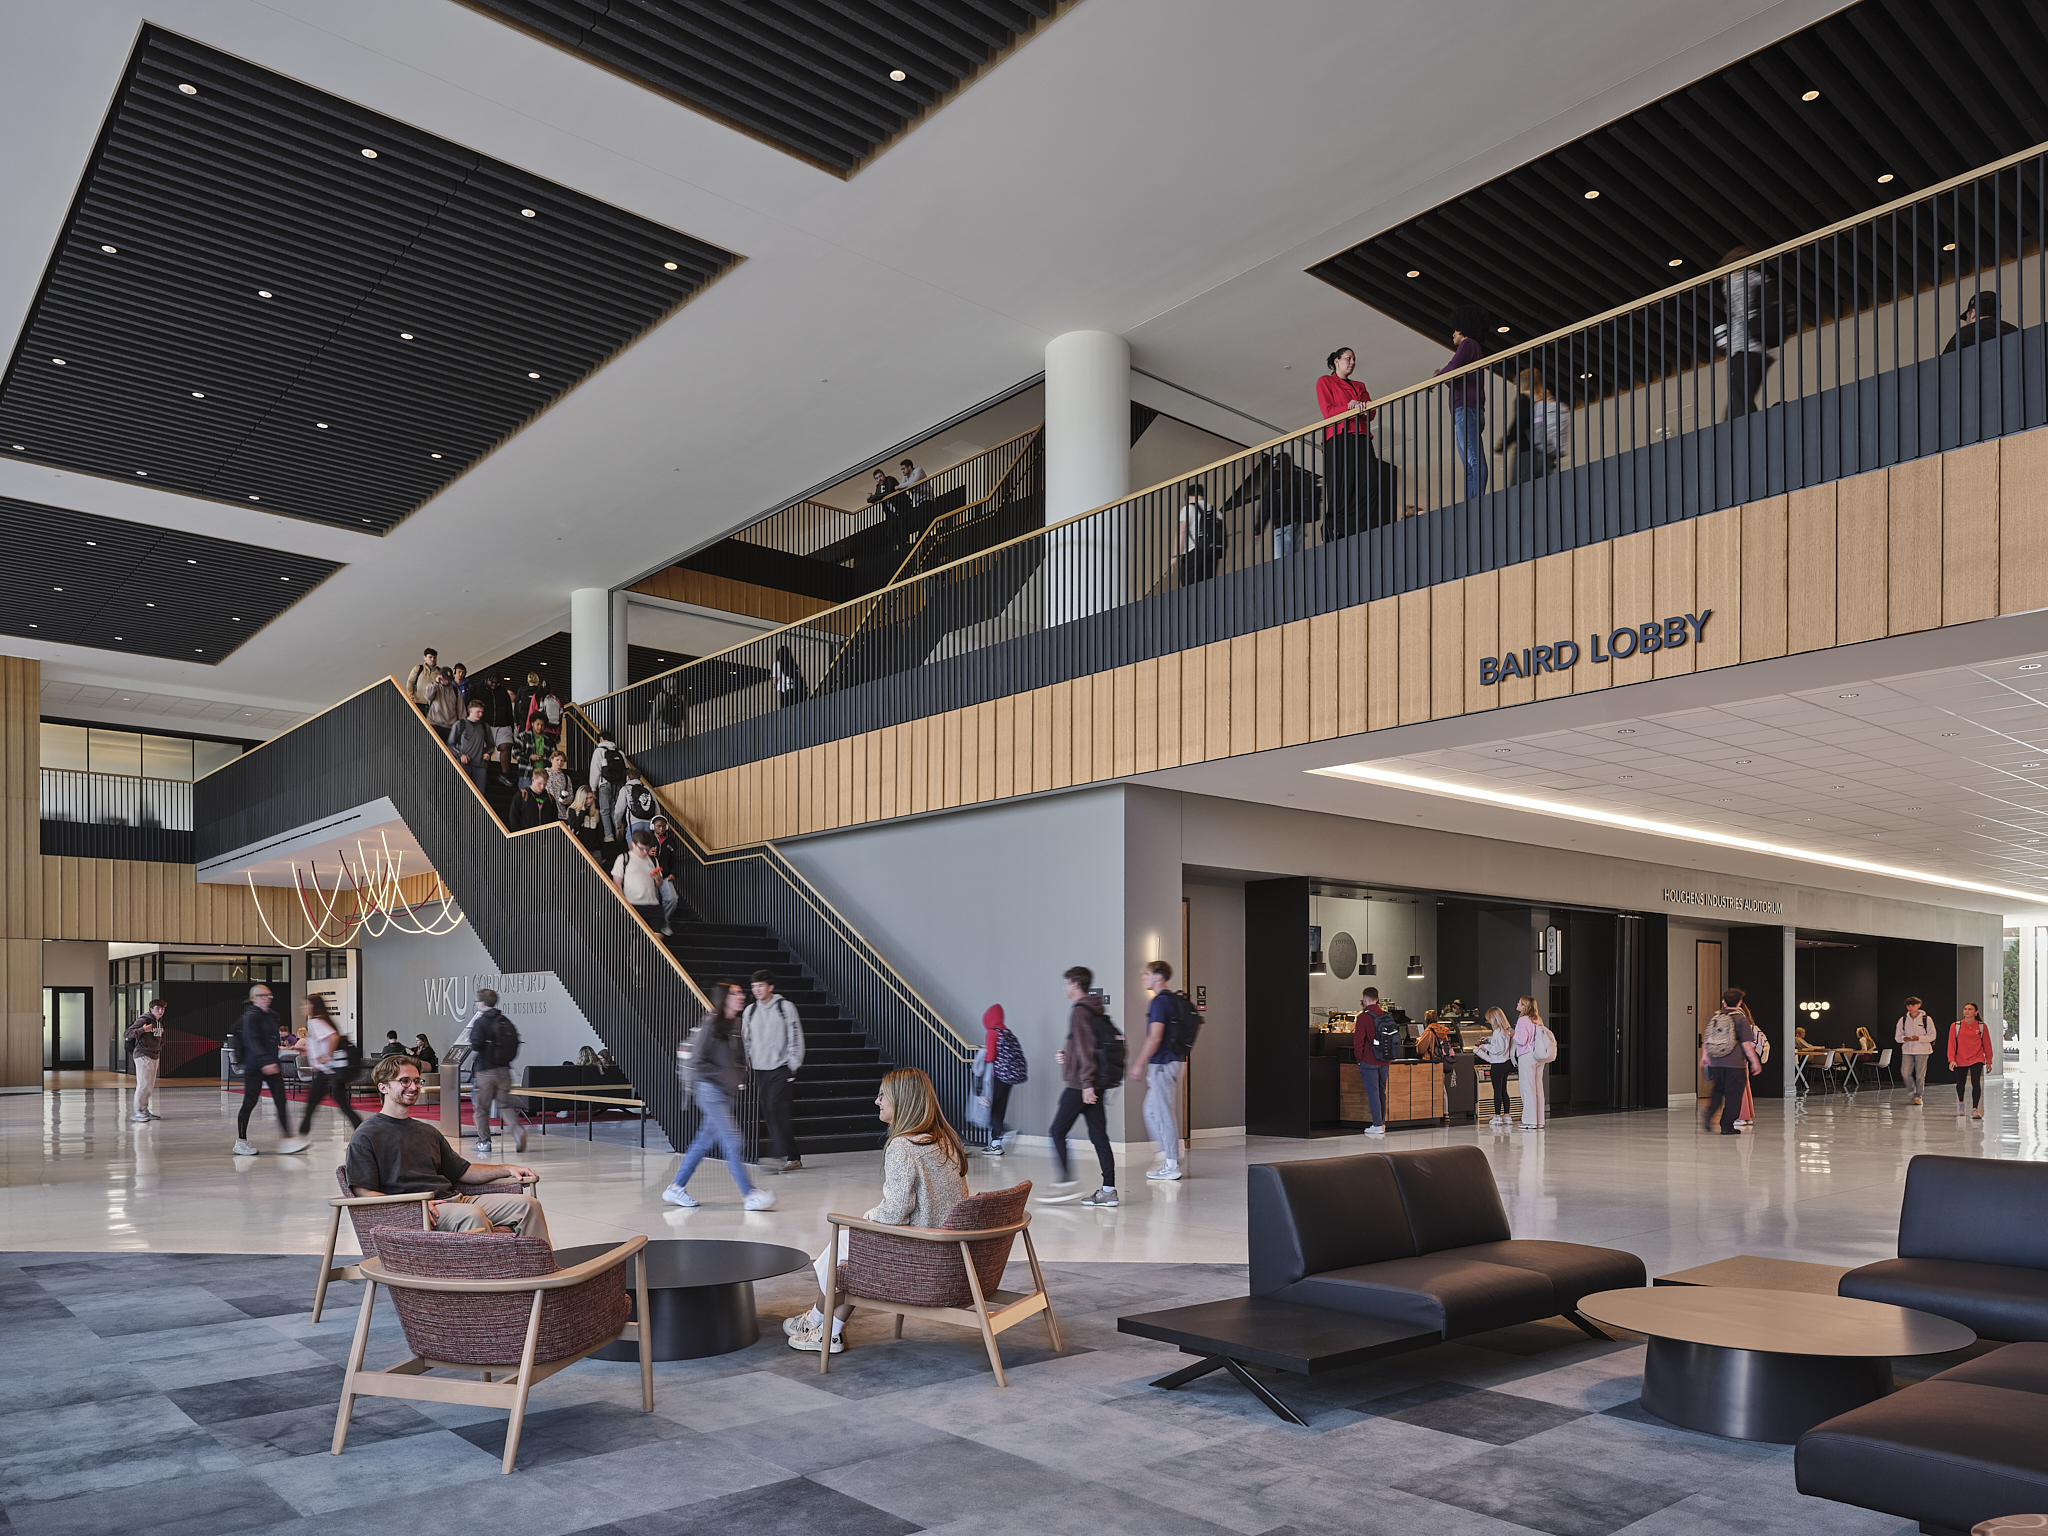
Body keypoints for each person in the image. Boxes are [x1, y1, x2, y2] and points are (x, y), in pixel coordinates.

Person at [784, 1067, 966, 1355]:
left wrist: (865, 1219)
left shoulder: (903, 1147)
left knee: (847, 1245)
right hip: (952, 1254)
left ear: (902, 1102)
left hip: (923, 1258)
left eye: (883, 1096)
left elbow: (894, 1214)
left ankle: (823, 1328)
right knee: (850, 1244)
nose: (877, 1101)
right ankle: (818, 1322)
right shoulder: (946, 1140)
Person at [346, 1055, 548, 1240]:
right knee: (473, 1215)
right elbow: (364, 1192)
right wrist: (412, 1205)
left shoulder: (426, 1131)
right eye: (404, 1081)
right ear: (383, 1088)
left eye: (417, 1081)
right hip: (418, 1211)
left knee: (528, 1205)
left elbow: (463, 1170)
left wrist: (506, 1169)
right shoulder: (366, 1135)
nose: (413, 1087)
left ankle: (538, 1272)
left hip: (455, 1200)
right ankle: (484, 1278)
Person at [663, 981, 775, 1211]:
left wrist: (738, 1074)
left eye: (740, 992)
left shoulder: (735, 1024)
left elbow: (740, 1057)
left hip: (725, 1093)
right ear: (724, 998)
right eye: (735, 993)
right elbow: (696, 1061)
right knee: (734, 1141)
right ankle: (749, 1194)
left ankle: (676, 1188)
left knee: (702, 1143)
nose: (741, 996)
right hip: (710, 1092)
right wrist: (724, 1075)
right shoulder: (711, 1024)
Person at [1039, 966, 1117, 1206]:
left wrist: (1085, 1083)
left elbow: (1086, 1049)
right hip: (1091, 1082)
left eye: (1066, 983)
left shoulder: (1079, 1011)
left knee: (1057, 1131)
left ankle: (1065, 1183)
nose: (1065, 988)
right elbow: (1085, 1046)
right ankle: (1109, 1189)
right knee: (1099, 1136)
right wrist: (1067, 1055)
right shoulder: (1093, 1008)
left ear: (1074, 984)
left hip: (1080, 1085)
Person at [1130, 960, 1189, 1181]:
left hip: (1163, 1064)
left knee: (1163, 1113)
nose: (1143, 977)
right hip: (1174, 1061)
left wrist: (1138, 1063)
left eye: (1146, 974)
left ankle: (1171, 1163)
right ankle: (1168, 1153)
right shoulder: (1173, 1001)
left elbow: (1155, 1037)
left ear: (1158, 976)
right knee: (1151, 1110)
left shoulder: (1159, 1002)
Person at [233, 984, 307, 1156]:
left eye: (268, 996)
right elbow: (252, 1040)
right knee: (250, 1102)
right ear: (253, 998)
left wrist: (291, 1051)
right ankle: (241, 1141)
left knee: (281, 1100)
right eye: (262, 995)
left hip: (272, 1065)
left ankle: (288, 1139)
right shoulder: (251, 1016)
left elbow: (272, 1042)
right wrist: (265, 1062)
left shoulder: (271, 1016)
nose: (266, 999)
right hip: (255, 1066)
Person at [744, 967, 806, 1174]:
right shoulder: (750, 1011)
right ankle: (792, 1156)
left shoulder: (785, 1007)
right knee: (771, 1112)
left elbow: (795, 1035)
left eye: (760, 986)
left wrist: (793, 1064)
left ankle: (781, 1153)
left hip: (781, 1067)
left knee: (774, 1108)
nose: (757, 990)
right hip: (760, 1069)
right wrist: (746, 1062)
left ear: (770, 987)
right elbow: (746, 1040)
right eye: (754, 987)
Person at [1316, 345, 1378, 538]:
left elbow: (1372, 413)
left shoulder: (1359, 386)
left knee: (1370, 482)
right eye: (1348, 359)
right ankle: (1337, 527)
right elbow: (1328, 412)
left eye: (1353, 360)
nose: (1352, 363)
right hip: (1339, 435)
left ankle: (1360, 526)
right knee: (1343, 483)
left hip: (1360, 435)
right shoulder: (1326, 382)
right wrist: (1350, 408)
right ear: (1336, 361)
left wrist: (1354, 409)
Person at [1222, 448, 1318, 561]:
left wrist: (1258, 529)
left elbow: (1266, 503)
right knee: (1293, 556)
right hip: (1298, 522)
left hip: (1283, 523)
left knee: (1281, 561)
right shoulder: (1298, 477)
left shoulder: (1276, 478)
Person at [1716, 246, 1778, 419]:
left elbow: (1743, 313)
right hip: (1762, 349)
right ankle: (1730, 434)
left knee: (1740, 400)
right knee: (1740, 400)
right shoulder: (1759, 280)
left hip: (1743, 347)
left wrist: (1732, 338)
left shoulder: (1734, 282)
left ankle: (1742, 437)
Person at [1436, 310, 1490, 500]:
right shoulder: (1474, 349)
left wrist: (1439, 375)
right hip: (1468, 409)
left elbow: (1454, 365)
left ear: (1464, 329)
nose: (1453, 334)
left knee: (1473, 459)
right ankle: (1471, 501)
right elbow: (1455, 379)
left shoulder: (1468, 344)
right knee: (1469, 461)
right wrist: (1443, 375)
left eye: (1456, 330)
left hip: (1467, 409)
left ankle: (1476, 500)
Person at [468, 988, 525, 1154]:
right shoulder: (505, 1021)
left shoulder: (481, 1022)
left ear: (482, 1002)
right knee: (505, 1105)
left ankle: (484, 1142)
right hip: (505, 1070)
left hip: (485, 1071)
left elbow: (476, 1045)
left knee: (481, 1109)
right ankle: (518, 1131)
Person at [296, 994, 361, 1134]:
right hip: (333, 1071)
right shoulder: (324, 1020)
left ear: (313, 1006)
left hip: (326, 1071)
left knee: (311, 1105)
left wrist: (325, 1056)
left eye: (305, 1004)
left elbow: (333, 1037)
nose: (303, 1007)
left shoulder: (314, 1022)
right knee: (343, 1105)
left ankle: (301, 1136)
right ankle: (361, 1128)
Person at [1700, 987, 1760, 1135]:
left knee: (1717, 1090)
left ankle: (1709, 1112)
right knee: (1734, 1094)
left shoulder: (1715, 1016)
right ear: (1739, 1002)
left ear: (1723, 1001)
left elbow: (1707, 1039)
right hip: (1735, 1063)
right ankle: (1727, 1126)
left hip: (1716, 1061)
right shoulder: (1741, 1019)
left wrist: (1705, 1056)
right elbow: (1746, 1044)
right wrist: (1755, 1061)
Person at [1499, 367, 1571, 483]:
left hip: (1526, 455)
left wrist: (1503, 444)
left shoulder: (1524, 399)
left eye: (1515, 384)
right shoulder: (1543, 400)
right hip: (1545, 456)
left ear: (1522, 384)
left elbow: (1518, 426)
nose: (1513, 388)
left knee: (1519, 494)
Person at [974, 1002, 1024, 1155]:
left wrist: (983, 1052)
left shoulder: (992, 1033)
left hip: (997, 1077)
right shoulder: (1007, 1032)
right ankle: (997, 1143)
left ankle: (1003, 1133)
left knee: (991, 1110)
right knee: (999, 1109)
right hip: (1009, 1078)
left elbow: (991, 1057)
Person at [612, 831, 677, 935]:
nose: (644, 852)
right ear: (633, 844)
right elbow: (616, 883)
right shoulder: (624, 858)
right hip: (633, 904)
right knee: (637, 938)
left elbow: (658, 884)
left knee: (658, 936)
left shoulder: (652, 859)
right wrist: (623, 903)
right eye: (641, 848)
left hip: (653, 904)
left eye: (647, 849)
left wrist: (658, 879)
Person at [1351, 986, 1393, 1136]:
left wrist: (1359, 1059)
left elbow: (1358, 1042)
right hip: (1385, 1060)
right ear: (1377, 999)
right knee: (1381, 1091)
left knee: (1373, 1092)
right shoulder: (1386, 1016)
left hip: (1369, 1060)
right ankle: (1381, 1123)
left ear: (1365, 999)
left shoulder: (1363, 1017)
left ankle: (1377, 1124)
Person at [1513, 994, 1551, 1130]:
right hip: (1539, 1056)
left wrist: (1513, 1035)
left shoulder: (1523, 1020)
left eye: (1519, 1003)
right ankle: (1539, 1120)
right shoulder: (1537, 1020)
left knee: (1527, 1088)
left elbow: (1522, 1040)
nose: (1517, 1004)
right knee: (1538, 1088)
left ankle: (1529, 1121)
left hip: (1527, 1055)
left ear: (1524, 1006)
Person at [1949, 1002, 1993, 1119]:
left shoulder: (1981, 1026)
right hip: (1960, 1058)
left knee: (1976, 1082)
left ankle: (1975, 1109)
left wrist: (1989, 1061)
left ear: (1976, 1012)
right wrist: (1951, 1060)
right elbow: (1952, 1044)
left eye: (1970, 1009)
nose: (1967, 1011)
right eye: (1965, 1009)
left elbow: (1987, 1044)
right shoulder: (1956, 1026)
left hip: (1977, 1058)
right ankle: (1961, 1103)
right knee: (1961, 1084)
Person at [1941, 290, 2019, 355]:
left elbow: (1946, 365)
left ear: (1973, 314)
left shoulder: (1965, 334)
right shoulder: (2015, 331)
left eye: (1967, 317)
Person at [1176, 481, 1223, 586]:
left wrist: (1175, 554)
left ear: (1188, 497)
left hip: (1193, 553)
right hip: (1212, 553)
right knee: (1208, 586)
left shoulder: (1188, 508)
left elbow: (1182, 531)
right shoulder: (1215, 511)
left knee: (1190, 588)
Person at [126, 999, 166, 1122]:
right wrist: (142, 1030)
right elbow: (127, 1033)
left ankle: (144, 1110)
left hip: (154, 1055)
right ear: (151, 1009)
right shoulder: (144, 1020)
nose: (160, 1011)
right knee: (143, 1084)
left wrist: (159, 1048)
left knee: (149, 1085)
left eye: (163, 1009)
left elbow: (161, 1038)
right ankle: (137, 1111)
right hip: (143, 1054)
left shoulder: (160, 1022)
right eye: (158, 1008)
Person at [1475, 1006, 1514, 1125]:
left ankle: (1497, 1116)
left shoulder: (1498, 1031)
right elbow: (1500, 1043)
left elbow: (1497, 1048)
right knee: (1503, 1090)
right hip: (1506, 1063)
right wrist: (1489, 1038)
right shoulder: (1505, 1030)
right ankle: (1506, 1115)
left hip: (1497, 1064)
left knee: (1496, 1090)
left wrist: (1484, 1047)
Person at [1896, 996, 1937, 1104]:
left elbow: (1932, 1036)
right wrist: (1903, 1039)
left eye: (1912, 1005)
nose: (1910, 1007)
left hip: (1922, 1050)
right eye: (1908, 1005)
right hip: (1907, 1050)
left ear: (1918, 1005)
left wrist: (1919, 1038)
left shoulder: (1926, 1019)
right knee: (1905, 1072)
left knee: (1920, 1074)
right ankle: (1912, 1090)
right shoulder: (1903, 1020)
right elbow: (1897, 1036)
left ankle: (1918, 1096)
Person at [588, 729, 626, 844]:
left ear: (600, 739)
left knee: (604, 810)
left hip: (604, 783)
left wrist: (593, 787)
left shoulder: (599, 751)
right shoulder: (620, 752)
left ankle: (609, 835)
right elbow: (625, 769)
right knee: (615, 808)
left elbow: (596, 770)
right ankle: (618, 828)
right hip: (618, 784)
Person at [448, 700, 492, 796]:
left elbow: (491, 745)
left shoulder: (485, 726)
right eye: (478, 712)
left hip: (480, 765)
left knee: (480, 795)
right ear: (470, 710)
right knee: (461, 792)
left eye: (482, 712)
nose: (480, 714)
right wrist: (460, 755)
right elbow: (450, 744)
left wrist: (488, 753)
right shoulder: (459, 725)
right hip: (464, 764)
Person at [482, 672, 517, 781]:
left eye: (496, 683)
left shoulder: (503, 693)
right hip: (485, 724)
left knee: (506, 746)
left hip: (502, 724)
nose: (494, 685)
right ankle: (484, 774)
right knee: (484, 749)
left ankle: (505, 774)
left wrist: (510, 727)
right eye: (492, 682)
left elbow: (508, 712)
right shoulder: (478, 689)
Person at [615, 770, 658, 837]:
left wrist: (618, 824)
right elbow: (656, 807)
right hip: (649, 823)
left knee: (633, 846)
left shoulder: (625, 789)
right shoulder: (647, 789)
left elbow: (619, 810)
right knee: (647, 846)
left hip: (634, 823)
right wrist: (655, 823)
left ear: (627, 777)